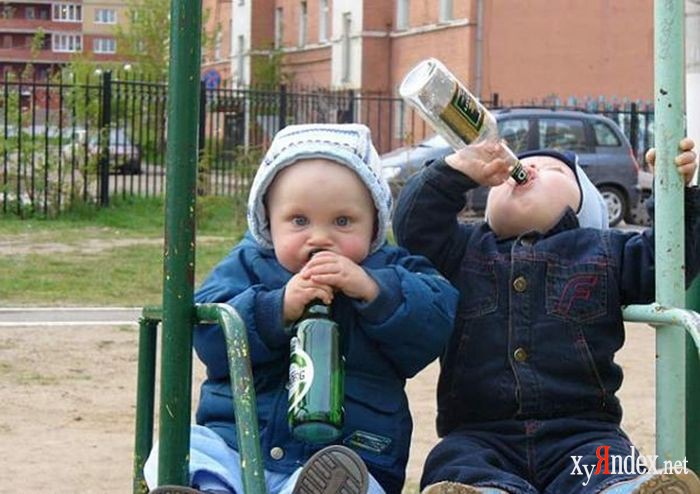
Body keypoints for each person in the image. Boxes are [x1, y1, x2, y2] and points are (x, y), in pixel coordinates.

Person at [145, 123, 459, 494]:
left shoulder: (391, 269)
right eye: (299, 221)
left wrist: (374, 290)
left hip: (348, 455)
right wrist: (275, 308)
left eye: (343, 221)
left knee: (354, 485)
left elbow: (436, 321)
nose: (320, 237)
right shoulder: (249, 264)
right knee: (185, 447)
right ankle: (211, 489)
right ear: (267, 220)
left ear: (375, 221)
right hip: (239, 445)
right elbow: (206, 332)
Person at [393, 138, 700, 494]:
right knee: (455, 465)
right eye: (506, 175)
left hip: (584, 433)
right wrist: (455, 170)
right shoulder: (460, 250)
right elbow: (414, 228)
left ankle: (622, 490)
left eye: (554, 169)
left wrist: (674, 192)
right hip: (479, 435)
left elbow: (670, 261)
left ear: (585, 209)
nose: (526, 168)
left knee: (612, 466)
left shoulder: (605, 250)